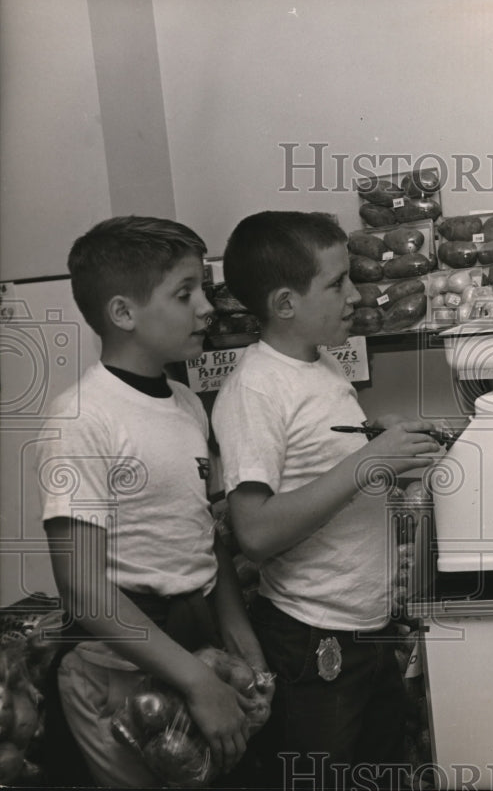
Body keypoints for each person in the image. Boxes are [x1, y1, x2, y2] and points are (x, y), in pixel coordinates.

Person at [210, 210, 441, 788]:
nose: (356, 294)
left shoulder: (322, 363)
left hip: (366, 628)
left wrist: (382, 449)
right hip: (313, 640)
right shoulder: (256, 389)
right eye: (337, 283)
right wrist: (368, 463)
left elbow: (325, 473)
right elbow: (255, 533)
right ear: (285, 303)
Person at [38, 216, 268, 788]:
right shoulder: (83, 417)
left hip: (195, 644)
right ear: (123, 313)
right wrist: (195, 681)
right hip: (117, 663)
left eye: (205, 291)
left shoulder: (187, 403)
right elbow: (83, 588)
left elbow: (201, 536)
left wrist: (243, 649)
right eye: (185, 293)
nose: (207, 308)